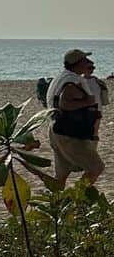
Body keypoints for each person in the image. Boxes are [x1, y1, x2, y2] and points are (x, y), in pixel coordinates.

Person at [45, 49, 105, 187]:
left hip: (57, 128)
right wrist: (87, 102)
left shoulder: (62, 77)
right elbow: (64, 103)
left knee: (62, 172)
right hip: (69, 133)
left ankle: (57, 202)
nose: (89, 63)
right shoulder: (72, 82)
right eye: (85, 61)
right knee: (96, 167)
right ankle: (77, 198)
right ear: (77, 64)